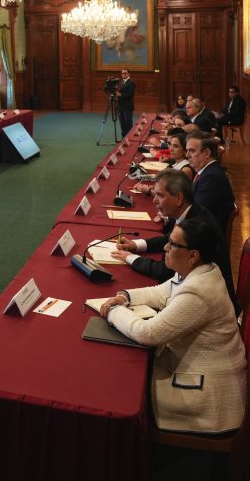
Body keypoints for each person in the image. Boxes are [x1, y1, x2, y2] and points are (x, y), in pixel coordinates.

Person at [99, 219, 246, 434]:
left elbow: (147, 333)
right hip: (202, 375)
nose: (165, 248)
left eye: (173, 244)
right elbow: (160, 293)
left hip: (207, 399)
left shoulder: (199, 291)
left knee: (119, 389)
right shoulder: (201, 269)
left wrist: (113, 312)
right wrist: (124, 296)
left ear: (193, 255)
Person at [112, 169, 236, 310]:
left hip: (208, 304)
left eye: (160, 195)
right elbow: (169, 239)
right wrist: (136, 245)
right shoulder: (193, 212)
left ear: (179, 199)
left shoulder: (197, 225)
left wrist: (130, 257)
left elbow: (165, 272)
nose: (154, 200)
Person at [185, 131, 235, 232]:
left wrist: (170, 217)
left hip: (201, 237)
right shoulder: (207, 172)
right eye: (187, 151)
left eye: (192, 151)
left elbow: (196, 215)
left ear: (207, 153)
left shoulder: (212, 178)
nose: (187, 155)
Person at [116, 68, 135, 138]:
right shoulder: (121, 82)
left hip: (127, 106)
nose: (123, 75)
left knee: (128, 123)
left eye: (125, 73)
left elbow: (130, 95)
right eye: (122, 73)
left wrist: (120, 95)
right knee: (122, 123)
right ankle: (124, 138)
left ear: (129, 74)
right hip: (120, 106)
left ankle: (129, 138)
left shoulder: (131, 82)